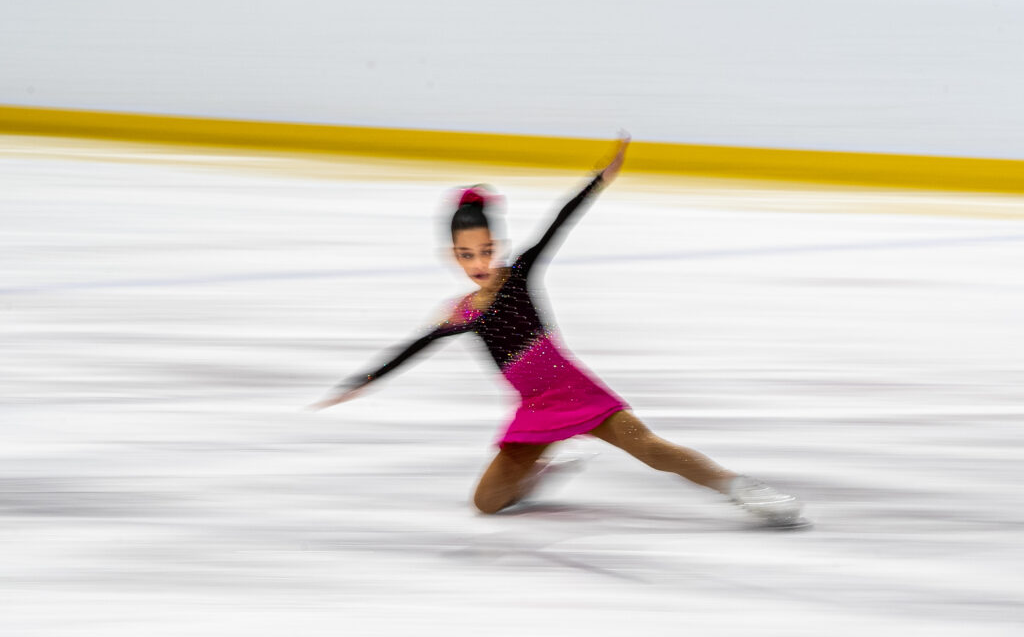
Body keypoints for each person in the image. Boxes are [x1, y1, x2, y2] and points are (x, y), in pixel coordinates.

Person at [312, 135, 803, 526]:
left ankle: (743, 489)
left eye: (485, 250)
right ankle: (535, 477)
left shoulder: (520, 273)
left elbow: (557, 224)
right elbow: (412, 349)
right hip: (534, 410)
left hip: (572, 389)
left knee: (653, 451)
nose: (479, 263)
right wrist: (361, 384)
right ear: (452, 256)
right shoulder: (460, 313)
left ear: (497, 245)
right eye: (466, 255)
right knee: (486, 503)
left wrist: (599, 179)